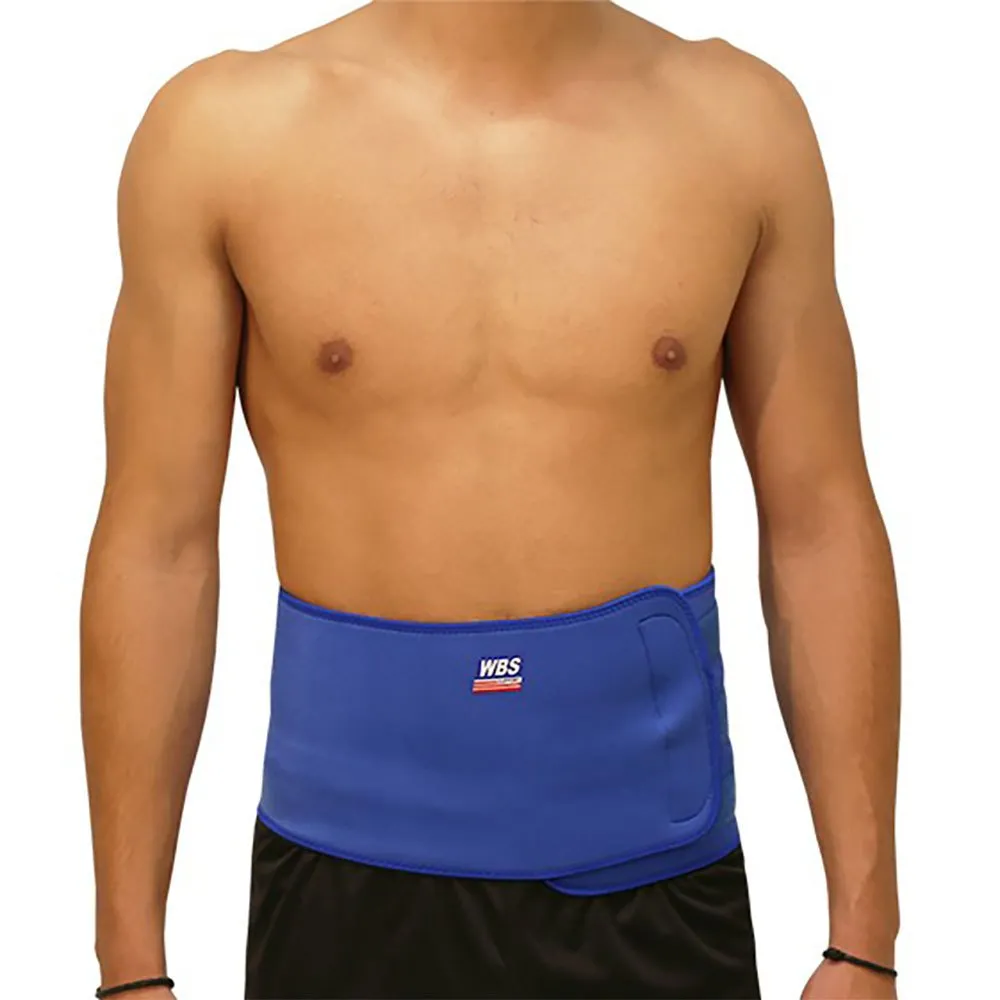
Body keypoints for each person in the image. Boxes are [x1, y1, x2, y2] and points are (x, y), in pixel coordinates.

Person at [81, 2, 901, 998]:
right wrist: (129, 966)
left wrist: (864, 936)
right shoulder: (224, 133)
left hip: (654, 878)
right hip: (346, 886)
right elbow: (158, 541)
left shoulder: (737, 124)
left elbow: (819, 520)